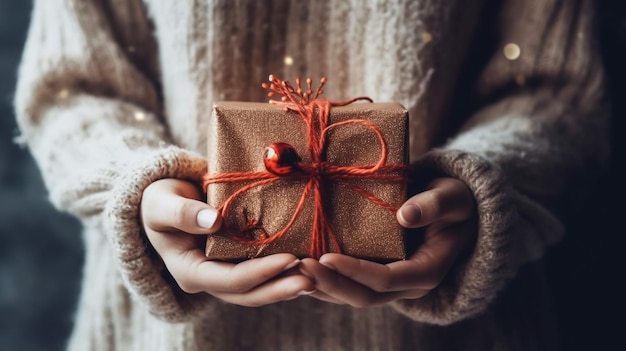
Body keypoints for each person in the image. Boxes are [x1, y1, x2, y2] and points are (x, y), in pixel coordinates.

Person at [14, 0, 610, 350]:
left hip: (451, 334)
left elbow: (556, 94)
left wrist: (487, 193)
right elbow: (73, 90)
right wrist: (135, 186)